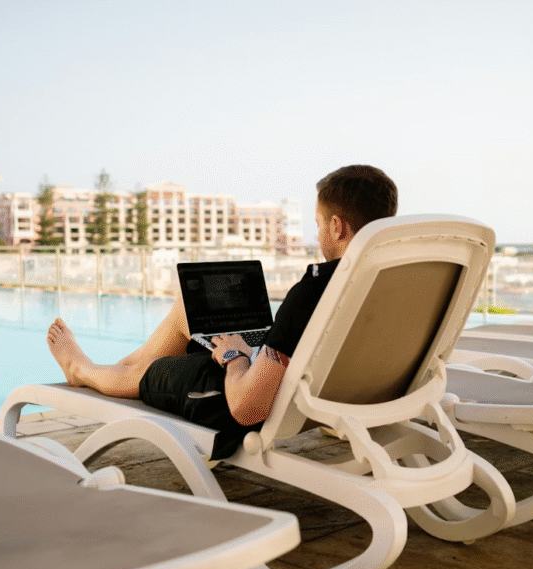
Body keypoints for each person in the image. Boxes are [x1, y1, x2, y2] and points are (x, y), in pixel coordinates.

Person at [47, 165, 398, 458]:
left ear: (337, 226)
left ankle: (84, 370)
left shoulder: (313, 291)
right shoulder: (396, 285)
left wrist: (235, 356)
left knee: (153, 369)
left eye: (319, 224)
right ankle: (119, 371)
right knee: (186, 312)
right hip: (332, 396)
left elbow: (246, 408)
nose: (319, 234)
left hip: (238, 401)